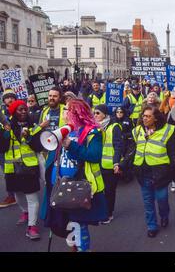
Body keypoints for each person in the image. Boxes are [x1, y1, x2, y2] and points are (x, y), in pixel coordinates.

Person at [41, 99, 108, 252]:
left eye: (67, 110)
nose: (63, 113)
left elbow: (94, 155)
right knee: (65, 222)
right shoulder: (64, 130)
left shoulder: (93, 132)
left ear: (77, 113)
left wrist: (71, 145)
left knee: (79, 223)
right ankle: (74, 248)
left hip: (79, 185)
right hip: (59, 185)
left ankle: (83, 249)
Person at [122, 105, 175, 238]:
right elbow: (131, 150)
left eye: (148, 116)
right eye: (143, 116)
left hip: (160, 174)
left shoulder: (167, 131)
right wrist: (121, 164)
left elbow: (174, 153)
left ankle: (164, 215)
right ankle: (152, 226)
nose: (145, 118)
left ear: (155, 119)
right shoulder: (137, 131)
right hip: (142, 173)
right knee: (148, 202)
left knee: (162, 199)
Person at [0, 100, 45, 240]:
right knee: (18, 195)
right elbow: (2, 148)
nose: (24, 112)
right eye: (20, 110)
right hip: (12, 168)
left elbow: (39, 147)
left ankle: (32, 226)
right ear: (14, 112)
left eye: (25, 109)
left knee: (32, 198)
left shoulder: (33, 125)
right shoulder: (6, 126)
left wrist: (30, 137)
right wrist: (6, 135)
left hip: (29, 167)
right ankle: (24, 211)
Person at [94, 104, 123, 223]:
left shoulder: (114, 126)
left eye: (97, 113)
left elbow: (118, 146)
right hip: (97, 164)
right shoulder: (94, 127)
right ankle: (101, 211)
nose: (95, 115)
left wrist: (116, 163)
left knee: (109, 191)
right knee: (99, 189)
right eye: (94, 113)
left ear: (105, 114)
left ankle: (108, 213)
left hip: (110, 165)